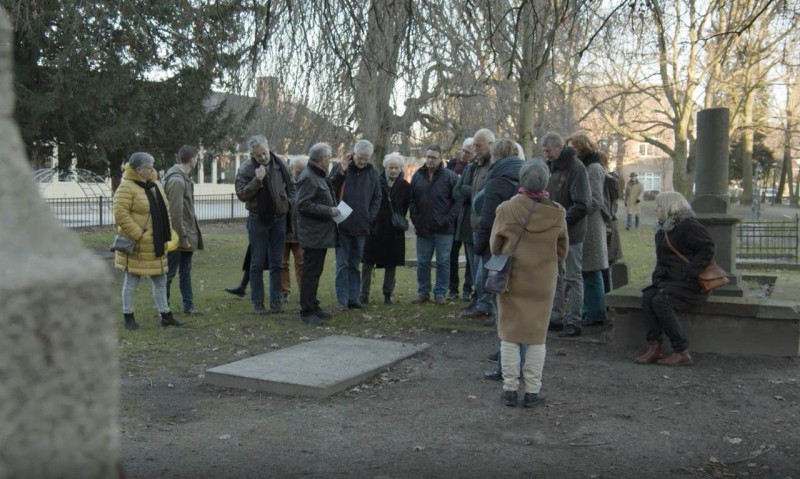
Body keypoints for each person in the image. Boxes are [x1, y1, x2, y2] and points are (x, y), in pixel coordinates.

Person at [489, 159, 568, 407]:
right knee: (537, 336)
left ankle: (510, 388)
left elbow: (495, 246)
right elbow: (562, 250)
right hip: (543, 281)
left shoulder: (506, 209)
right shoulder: (558, 212)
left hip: (513, 278)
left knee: (510, 334)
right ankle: (533, 391)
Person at [636, 192, 715, 367]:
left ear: (668, 207)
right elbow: (663, 260)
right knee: (648, 297)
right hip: (671, 282)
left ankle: (681, 351)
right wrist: (658, 279)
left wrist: (689, 272)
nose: (655, 209)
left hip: (692, 284)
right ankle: (654, 347)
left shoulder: (688, 225)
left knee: (661, 301)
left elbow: (708, 248)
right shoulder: (663, 229)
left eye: (658, 206)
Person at [473, 138, 524, 381]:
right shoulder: (527, 177)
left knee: (502, 311)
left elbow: (487, 219)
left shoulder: (496, 180)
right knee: (520, 312)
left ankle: (506, 366)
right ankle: (520, 363)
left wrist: (479, 246)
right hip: (524, 249)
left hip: (499, 249)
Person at [114, 152, 181, 329]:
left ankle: (165, 315)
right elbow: (120, 214)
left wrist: (167, 232)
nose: (151, 171)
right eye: (148, 168)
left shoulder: (155, 184)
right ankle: (128, 316)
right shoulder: (126, 187)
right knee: (132, 280)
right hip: (138, 244)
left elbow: (164, 210)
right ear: (137, 170)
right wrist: (138, 234)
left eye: (152, 168)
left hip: (157, 242)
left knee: (160, 280)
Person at [234, 134, 294, 315]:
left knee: (277, 264)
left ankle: (276, 303)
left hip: (279, 219)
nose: (263, 157)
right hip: (257, 219)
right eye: (258, 155)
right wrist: (257, 180)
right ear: (252, 154)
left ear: (268, 148)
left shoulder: (280, 164)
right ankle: (258, 303)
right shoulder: (246, 169)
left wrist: (289, 203)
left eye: (264, 153)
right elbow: (242, 194)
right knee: (257, 263)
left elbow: (292, 186)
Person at [544, 132, 590, 338]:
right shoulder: (552, 167)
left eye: (548, 150)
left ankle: (574, 320)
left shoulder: (576, 168)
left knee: (573, 276)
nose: (546, 154)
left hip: (572, 231)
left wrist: (560, 222)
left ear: (559, 147)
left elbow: (582, 204)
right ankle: (554, 317)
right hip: (554, 230)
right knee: (554, 275)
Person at [329, 140, 382, 311]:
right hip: (342, 224)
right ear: (354, 153)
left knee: (355, 264)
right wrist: (342, 172)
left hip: (362, 225)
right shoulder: (341, 167)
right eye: (360, 158)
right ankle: (342, 300)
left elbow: (377, 197)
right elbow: (330, 188)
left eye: (366, 159)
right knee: (342, 265)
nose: (362, 162)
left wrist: (370, 216)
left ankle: (353, 298)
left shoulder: (372, 172)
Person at [409, 144, 460, 305]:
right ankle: (423, 292)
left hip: (444, 229)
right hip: (423, 227)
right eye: (428, 157)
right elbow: (412, 200)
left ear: (440, 159)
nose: (430, 160)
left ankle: (440, 293)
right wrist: (415, 218)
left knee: (443, 261)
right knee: (423, 262)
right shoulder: (417, 176)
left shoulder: (450, 177)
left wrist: (448, 219)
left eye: (434, 157)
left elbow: (457, 201)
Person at [296, 143, 340, 325]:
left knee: (315, 272)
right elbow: (303, 205)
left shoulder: (318, 175)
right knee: (310, 273)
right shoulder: (309, 177)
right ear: (322, 159)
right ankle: (306, 311)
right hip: (313, 234)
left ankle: (313, 305)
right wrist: (328, 210)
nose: (330, 161)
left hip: (320, 234)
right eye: (329, 158)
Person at [567, 132, 608, 326]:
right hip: (584, 221)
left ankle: (596, 313)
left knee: (592, 270)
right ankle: (588, 310)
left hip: (590, 224)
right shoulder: (583, 166)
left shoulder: (593, 168)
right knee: (585, 271)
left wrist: (578, 210)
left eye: (573, 147)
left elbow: (596, 200)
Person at [361, 152, 411, 305]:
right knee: (367, 263)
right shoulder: (376, 181)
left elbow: (405, 207)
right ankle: (363, 294)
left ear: (401, 168)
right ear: (386, 167)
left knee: (391, 263)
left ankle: (388, 294)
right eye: (391, 167)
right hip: (375, 228)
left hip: (394, 231)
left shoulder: (405, 186)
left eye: (396, 168)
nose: (393, 171)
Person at [457, 129, 495, 320]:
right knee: (476, 268)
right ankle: (480, 300)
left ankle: (485, 304)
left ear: (490, 144)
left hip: (486, 227)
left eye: (479, 146)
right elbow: (459, 190)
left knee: (485, 269)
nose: (475, 150)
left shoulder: (494, 166)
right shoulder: (476, 166)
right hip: (473, 225)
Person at [163, 145, 204, 315]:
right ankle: (163, 308)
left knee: (185, 272)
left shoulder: (184, 178)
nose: (197, 160)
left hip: (186, 234)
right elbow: (175, 213)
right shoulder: (177, 181)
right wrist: (182, 238)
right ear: (192, 158)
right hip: (178, 236)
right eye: (197, 157)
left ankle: (188, 305)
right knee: (169, 273)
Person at [446, 139, 475, 301]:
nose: (464, 155)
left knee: (470, 256)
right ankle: (452, 288)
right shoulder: (450, 167)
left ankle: (467, 288)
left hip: (467, 217)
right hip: (452, 217)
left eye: (469, 153)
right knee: (452, 255)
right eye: (463, 151)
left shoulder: (475, 169)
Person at [281, 156, 307, 303]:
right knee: (282, 262)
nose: (300, 173)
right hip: (285, 229)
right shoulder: (284, 183)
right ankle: (284, 291)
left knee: (302, 263)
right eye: (298, 170)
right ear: (291, 169)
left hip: (300, 231)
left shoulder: (307, 183)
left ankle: (303, 291)